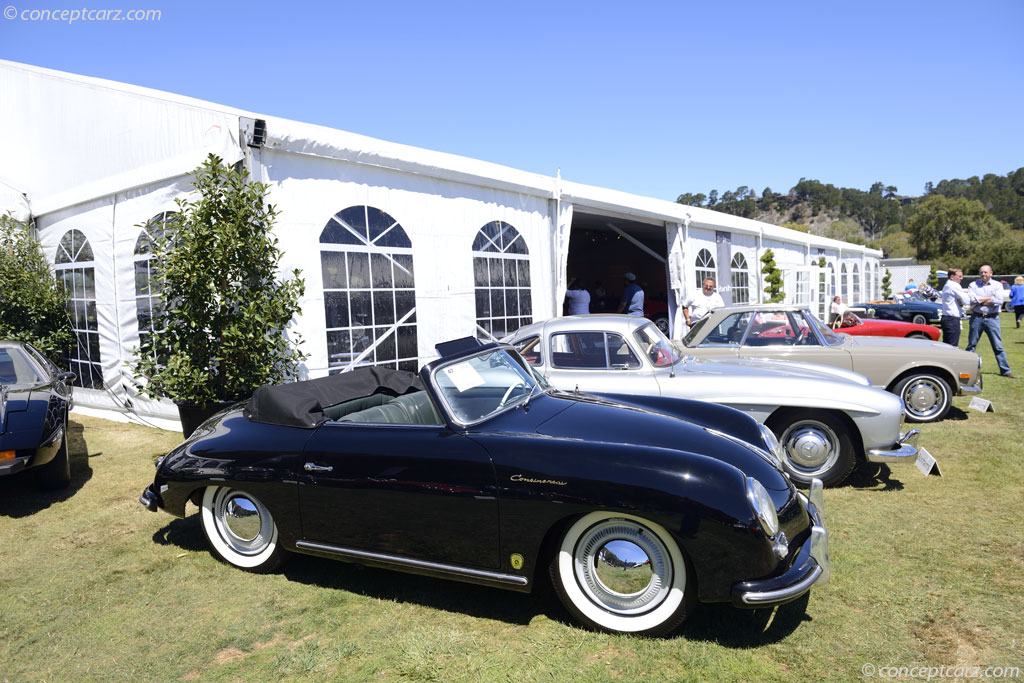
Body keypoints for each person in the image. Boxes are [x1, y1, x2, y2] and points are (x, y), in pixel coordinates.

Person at [966, 264, 1014, 378]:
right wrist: (989, 298)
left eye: (985, 272)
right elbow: (971, 300)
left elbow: (999, 301)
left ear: (991, 273)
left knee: (998, 346)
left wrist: (979, 301)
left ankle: (1006, 371)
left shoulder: (997, 285)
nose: (983, 274)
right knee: (971, 345)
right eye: (981, 272)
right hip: (976, 317)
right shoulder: (973, 285)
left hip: (993, 318)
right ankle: (966, 368)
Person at [939, 268, 970, 346]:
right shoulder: (954, 285)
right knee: (952, 346)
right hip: (952, 319)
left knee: (946, 345)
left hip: (947, 318)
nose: (961, 278)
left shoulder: (947, 285)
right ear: (952, 277)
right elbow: (967, 300)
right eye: (959, 276)